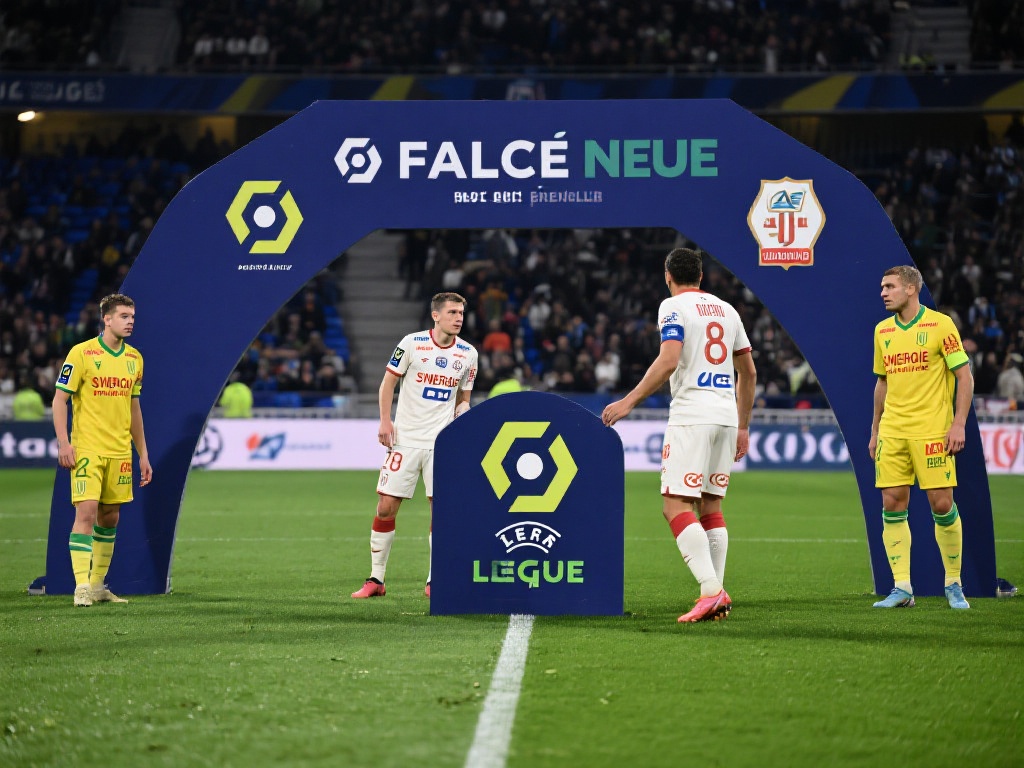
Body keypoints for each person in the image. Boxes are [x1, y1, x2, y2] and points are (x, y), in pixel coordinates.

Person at [602, 248, 756, 623]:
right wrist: (743, 426)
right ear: (701, 276)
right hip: (725, 417)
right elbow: (748, 373)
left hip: (692, 416)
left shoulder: (673, 307)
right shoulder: (728, 310)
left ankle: (711, 590)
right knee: (711, 507)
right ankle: (715, 592)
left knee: (674, 505)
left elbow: (669, 359)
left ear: (667, 276)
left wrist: (629, 401)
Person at [351, 292, 479, 600]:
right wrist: (385, 421)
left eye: (461, 313)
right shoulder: (412, 343)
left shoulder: (469, 354)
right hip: (405, 440)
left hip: (442, 444)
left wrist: (464, 413)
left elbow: (463, 398)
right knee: (386, 507)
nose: (458, 318)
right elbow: (388, 383)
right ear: (436, 315)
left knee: (441, 511)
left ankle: (435, 581)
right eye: (452, 312)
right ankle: (376, 579)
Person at [869, 265, 974, 610]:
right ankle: (902, 587)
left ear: (911, 288)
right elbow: (882, 382)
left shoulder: (940, 325)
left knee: (941, 504)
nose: (883, 293)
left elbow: (964, 376)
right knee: (892, 504)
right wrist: (875, 430)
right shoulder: (883, 330)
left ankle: (954, 583)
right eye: (882, 287)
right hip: (893, 431)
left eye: (890, 286)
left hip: (931, 430)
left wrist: (958, 424)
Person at [52, 293, 152, 607]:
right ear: (106, 319)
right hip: (88, 448)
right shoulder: (81, 353)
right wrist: (64, 443)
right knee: (86, 512)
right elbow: (59, 400)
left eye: (132, 316)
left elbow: (134, 409)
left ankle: (97, 586)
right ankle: (81, 587)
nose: (130, 321)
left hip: (120, 451)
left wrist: (143, 454)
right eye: (124, 316)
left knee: (110, 517)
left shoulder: (135, 359)